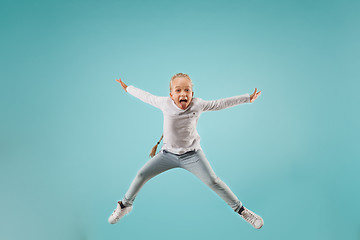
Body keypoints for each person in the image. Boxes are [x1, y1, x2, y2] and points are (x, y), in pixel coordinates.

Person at [108, 73, 263, 229]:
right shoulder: (164, 103)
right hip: (167, 155)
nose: (183, 94)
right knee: (141, 175)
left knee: (213, 181)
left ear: (192, 94)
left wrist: (247, 98)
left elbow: (220, 103)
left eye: (187, 90)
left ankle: (241, 210)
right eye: (178, 90)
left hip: (193, 155)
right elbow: (145, 96)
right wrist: (128, 88)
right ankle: (125, 206)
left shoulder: (198, 105)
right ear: (171, 94)